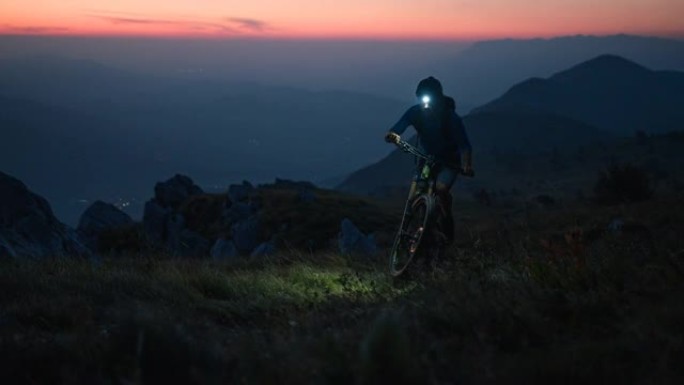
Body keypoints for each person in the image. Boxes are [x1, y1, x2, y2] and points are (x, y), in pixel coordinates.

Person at [384, 76, 472, 243]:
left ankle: (446, 220)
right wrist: (393, 136)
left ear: (438, 97)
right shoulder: (415, 112)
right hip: (425, 159)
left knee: (441, 188)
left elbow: (465, 146)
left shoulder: (451, 118)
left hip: (449, 162)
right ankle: (410, 225)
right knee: (416, 189)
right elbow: (398, 127)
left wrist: (467, 165)